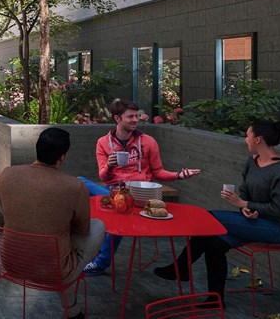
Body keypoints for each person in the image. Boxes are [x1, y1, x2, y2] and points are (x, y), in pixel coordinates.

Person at [153, 120, 280, 308]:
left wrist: (243, 203)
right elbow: (245, 190)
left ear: (258, 139)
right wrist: (246, 209)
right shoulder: (252, 161)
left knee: (209, 217)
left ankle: (181, 267)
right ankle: (215, 300)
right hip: (255, 221)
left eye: (247, 135)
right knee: (214, 244)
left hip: (279, 228)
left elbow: (279, 209)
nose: (244, 139)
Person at [81, 99, 201, 276]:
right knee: (80, 182)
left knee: (120, 213)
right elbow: (104, 176)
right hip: (114, 190)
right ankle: (81, 231)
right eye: (130, 117)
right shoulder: (103, 143)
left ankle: (100, 262)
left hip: (139, 194)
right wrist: (110, 165)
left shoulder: (148, 142)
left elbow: (158, 172)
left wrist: (178, 175)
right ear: (117, 118)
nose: (135, 120)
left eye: (136, 116)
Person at [0, 128, 106, 319]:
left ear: (37, 149)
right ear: (62, 157)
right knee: (97, 227)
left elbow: (8, 212)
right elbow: (82, 230)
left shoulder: (7, 174)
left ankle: (72, 308)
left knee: (54, 237)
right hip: (53, 270)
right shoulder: (74, 186)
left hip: (10, 262)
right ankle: (71, 307)